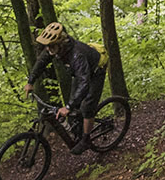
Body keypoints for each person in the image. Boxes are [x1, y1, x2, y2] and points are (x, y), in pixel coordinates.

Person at [24, 22, 108, 155]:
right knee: (74, 101)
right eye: (47, 46)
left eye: (51, 46)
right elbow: (41, 62)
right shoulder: (54, 48)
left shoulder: (77, 55)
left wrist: (68, 107)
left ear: (60, 43)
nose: (48, 49)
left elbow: (84, 84)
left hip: (95, 71)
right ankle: (79, 130)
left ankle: (86, 140)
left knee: (87, 106)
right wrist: (30, 81)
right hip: (81, 73)